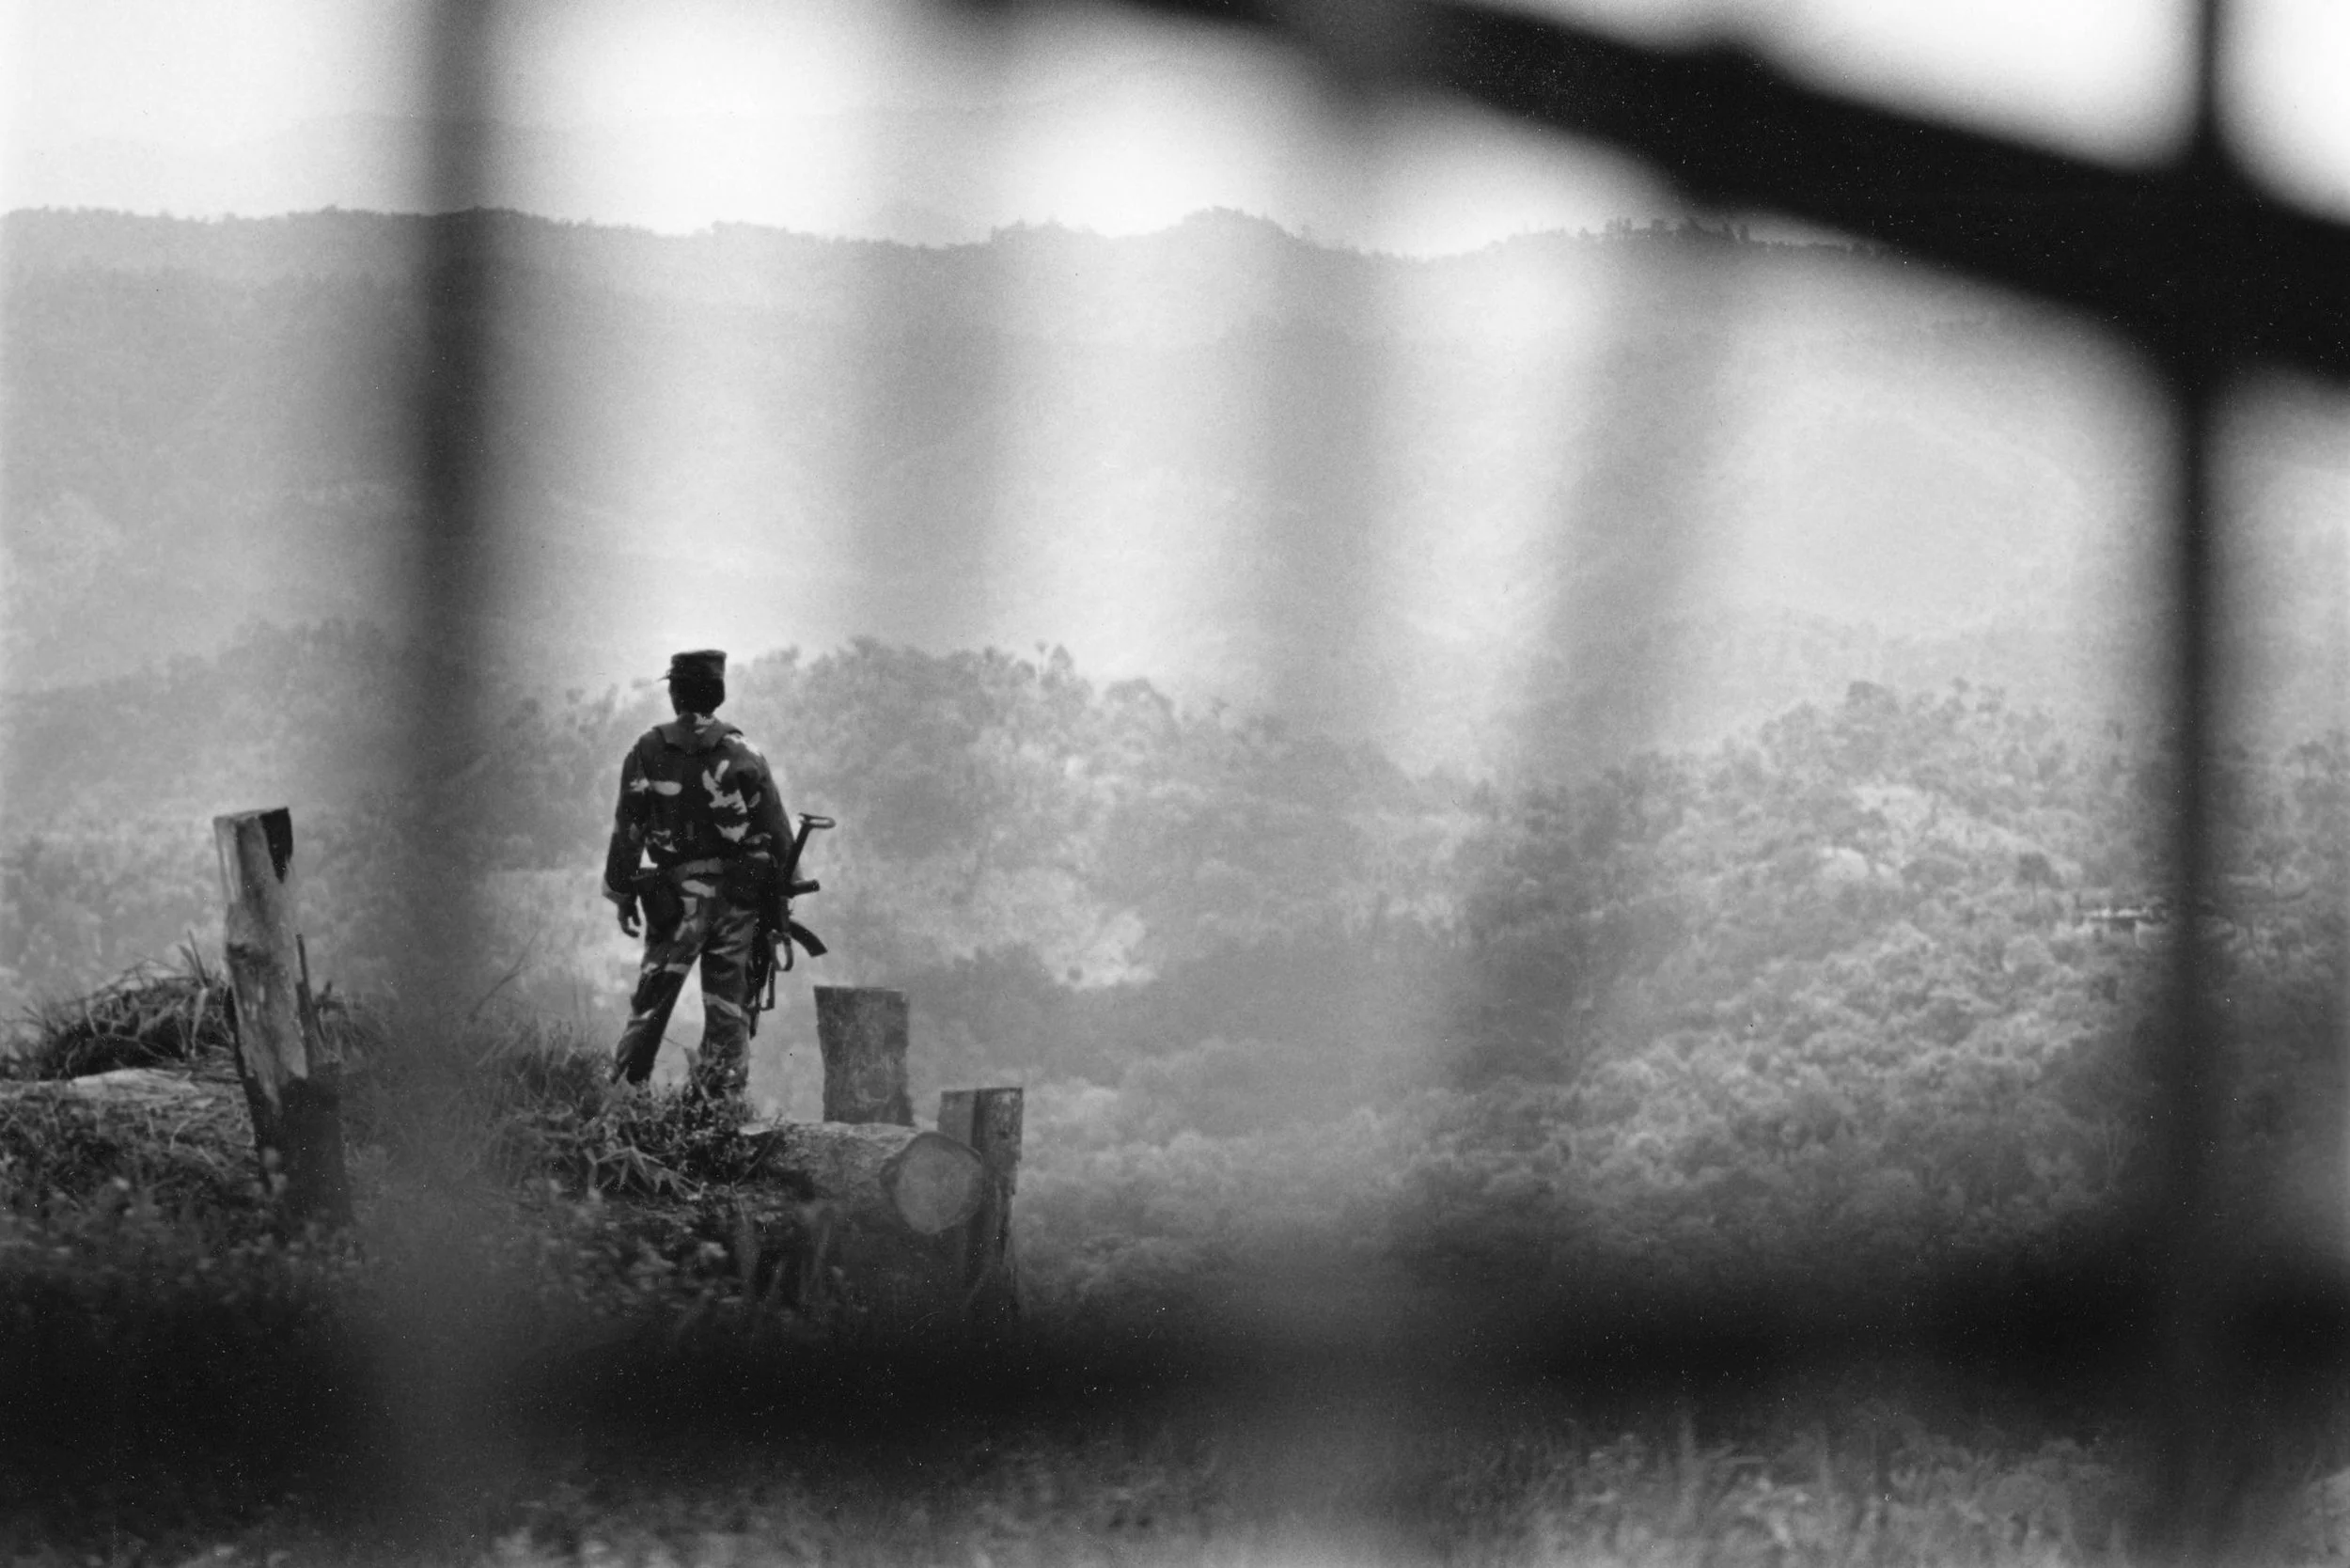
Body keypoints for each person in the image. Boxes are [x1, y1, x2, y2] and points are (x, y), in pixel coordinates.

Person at [603, 649, 790, 1100]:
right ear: (718, 695)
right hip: (737, 902)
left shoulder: (647, 749)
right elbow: (779, 839)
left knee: (651, 1003)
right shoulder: (745, 754)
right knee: (729, 1010)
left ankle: (624, 1100)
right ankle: (718, 1112)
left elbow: (629, 830)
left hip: (674, 901)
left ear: (675, 693)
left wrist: (624, 893)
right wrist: (778, 909)